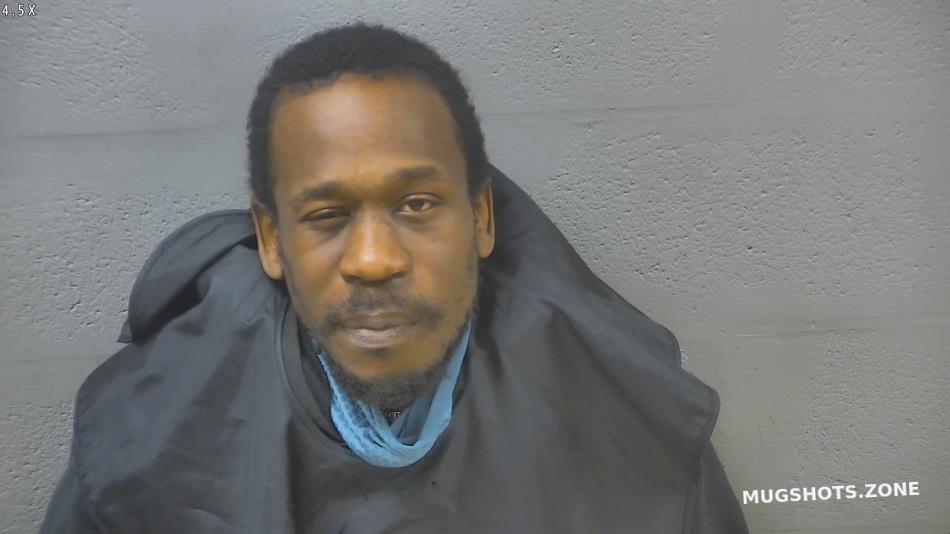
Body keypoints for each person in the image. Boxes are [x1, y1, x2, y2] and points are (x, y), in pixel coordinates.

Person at [40, 22, 748, 533]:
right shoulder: (151, 431)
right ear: (271, 240)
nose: (374, 260)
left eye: (416, 205)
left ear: (480, 219)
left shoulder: (623, 417)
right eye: (326, 215)